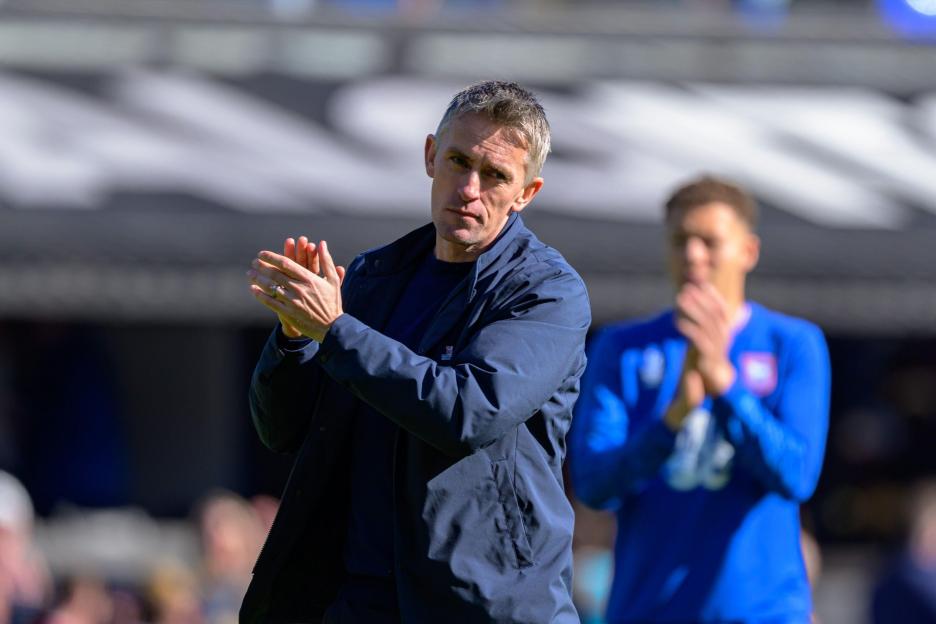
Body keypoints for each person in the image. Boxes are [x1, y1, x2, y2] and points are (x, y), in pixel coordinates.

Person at [243, 80, 590, 623]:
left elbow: (468, 412)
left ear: (527, 192)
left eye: (496, 175)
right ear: (431, 155)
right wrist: (295, 338)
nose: (469, 188)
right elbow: (282, 432)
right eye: (458, 161)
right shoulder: (375, 277)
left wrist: (333, 331)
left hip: (487, 607)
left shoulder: (547, 293)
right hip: (359, 601)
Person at [569, 176, 830, 623]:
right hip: (650, 611)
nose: (693, 255)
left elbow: (797, 476)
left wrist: (727, 388)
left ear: (748, 251)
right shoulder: (624, 349)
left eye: (709, 242)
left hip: (762, 613)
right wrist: (673, 420)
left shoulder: (792, 344)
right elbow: (594, 486)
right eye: (680, 241)